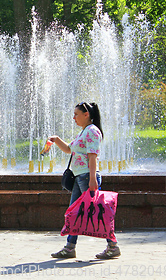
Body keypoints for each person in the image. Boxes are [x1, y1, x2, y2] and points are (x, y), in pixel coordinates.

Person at [49, 102, 121, 259]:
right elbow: (69, 149)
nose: (73, 117)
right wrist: (56, 139)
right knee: (74, 213)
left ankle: (112, 246)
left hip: (87, 177)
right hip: (79, 177)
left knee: (98, 213)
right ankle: (69, 248)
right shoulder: (84, 132)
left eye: (76, 114)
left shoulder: (92, 132)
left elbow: (92, 156)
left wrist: (93, 179)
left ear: (86, 114)